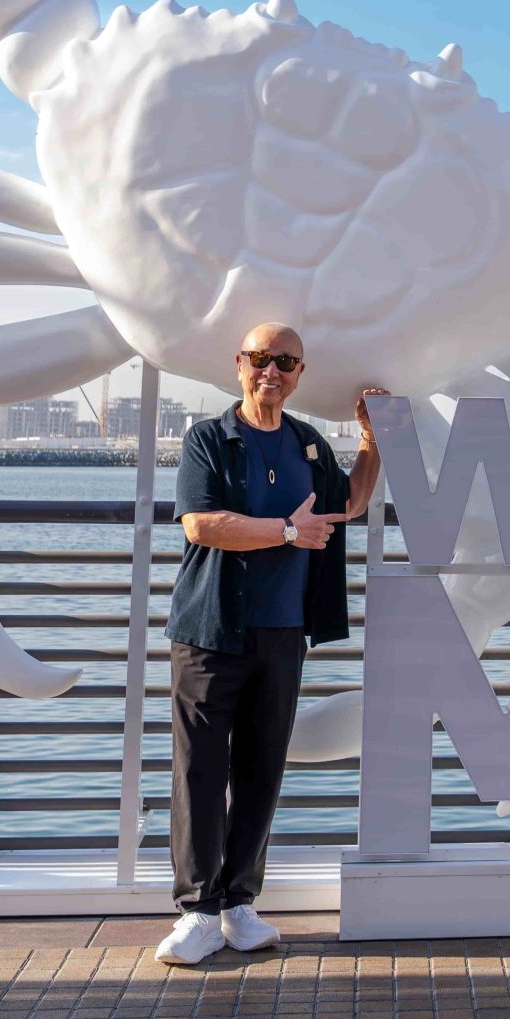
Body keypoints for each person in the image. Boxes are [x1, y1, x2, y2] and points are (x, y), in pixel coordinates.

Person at [153, 322, 386, 967]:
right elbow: (201, 524)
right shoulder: (208, 439)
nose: (272, 371)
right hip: (209, 630)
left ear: (300, 373)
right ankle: (197, 911)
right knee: (201, 770)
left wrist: (371, 441)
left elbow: (348, 505)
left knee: (262, 769)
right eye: (262, 359)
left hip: (283, 633)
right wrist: (286, 532)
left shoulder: (308, 442)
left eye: (286, 361)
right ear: (240, 364)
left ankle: (238, 904)